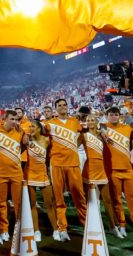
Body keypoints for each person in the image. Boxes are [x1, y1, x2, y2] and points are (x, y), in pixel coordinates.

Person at [45, 98, 87, 241]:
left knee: (79, 195)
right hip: (56, 163)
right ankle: (62, 228)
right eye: (59, 106)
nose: (62, 107)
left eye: (64, 105)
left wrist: (74, 145)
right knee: (59, 198)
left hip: (73, 163)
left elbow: (82, 135)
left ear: (67, 107)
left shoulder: (75, 122)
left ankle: (86, 223)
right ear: (55, 108)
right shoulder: (49, 124)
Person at [102, 106, 133, 238]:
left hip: (127, 169)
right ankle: (122, 224)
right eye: (111, 114)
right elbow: (99, 127)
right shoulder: (102, 127)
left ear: (119, 115)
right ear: (107, 116)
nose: (113, 116)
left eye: (116, 114)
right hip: (112, 169)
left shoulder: (127, 129)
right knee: (117, 200)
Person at [0, 109, 26, 243]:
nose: (15, 122)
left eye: (17, 119)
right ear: (4, 119)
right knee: (1, 204)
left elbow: (23, 147)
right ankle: (3, 229)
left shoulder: (20, 131)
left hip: (16, 173)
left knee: (18, 203)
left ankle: (19, 229)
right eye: (12, 119)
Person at [24, 121, 55, 241]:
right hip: (30, 174)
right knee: (32, 204)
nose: (31, 128)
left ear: (39, 128)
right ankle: (36, 231)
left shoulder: (47, 140)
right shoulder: (26, 140)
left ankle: (56, 230)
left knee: (49, 204)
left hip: (43, 175)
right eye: (30, 126)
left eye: (33, 126)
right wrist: (26, 135)